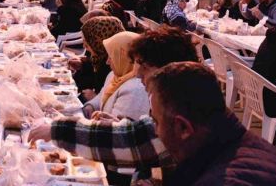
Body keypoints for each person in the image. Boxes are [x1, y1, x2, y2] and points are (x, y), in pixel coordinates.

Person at [28, 26, 200, 171]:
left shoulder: (182, 110)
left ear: (168, 69)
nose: (138, 73)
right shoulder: (183, 96)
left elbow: (133, 141)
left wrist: (57, 130)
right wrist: (119, 122)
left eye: (145, 67)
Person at [145, 62, 276, 186]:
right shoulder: (236, 143)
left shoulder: (224, 178)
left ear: (184, 128)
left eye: (156, 122)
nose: (156, 132)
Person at [82, 31, 149, 122]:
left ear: (125, 57)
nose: (107, 62)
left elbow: (117, 130)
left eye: (111, 57)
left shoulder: (135, 89)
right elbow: (101, 97)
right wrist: (90, 106)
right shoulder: (115, 75)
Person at [71, 16, 124, 101]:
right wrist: (83, 66)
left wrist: (96, 98)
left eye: (87, 42)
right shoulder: (100, 57)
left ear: (98, 40)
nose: (84, 46)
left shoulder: (115, 64)